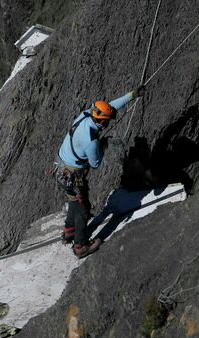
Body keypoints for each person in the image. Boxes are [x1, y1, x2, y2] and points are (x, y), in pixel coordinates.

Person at [55, 85, 146, 258]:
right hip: (74, 176)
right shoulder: (91, 140)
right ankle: (80, 246)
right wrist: (103, 145)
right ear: (102, 122)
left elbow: (109, 106)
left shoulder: (85, 115)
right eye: (107, 121)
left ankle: (69, 230)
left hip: (61, 168)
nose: (108, 123)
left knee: (72, 198)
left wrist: (131, 95)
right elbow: (95, 163)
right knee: (83, 209)